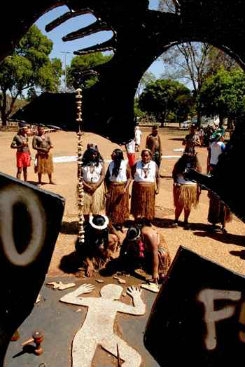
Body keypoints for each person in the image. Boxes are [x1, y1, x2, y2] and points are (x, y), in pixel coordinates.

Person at [60, 283, 145, 367]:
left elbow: (66, 298)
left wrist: (79, 291)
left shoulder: (94, 300)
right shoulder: (115, 304)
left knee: (134, 359)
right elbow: (139, 310)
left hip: (91, 335)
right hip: (94, 335)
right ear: (116, 295)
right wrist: (136, 296)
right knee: (134, 359)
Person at [207, 132, 232, 233]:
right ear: (221, 137)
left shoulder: (211, 145)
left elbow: (209, 158)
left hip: (213, 169)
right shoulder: (222, 145)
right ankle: (223, 224)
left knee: (214, 198)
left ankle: (213, 222)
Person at [172, 152, 202, 229]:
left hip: (191, 187)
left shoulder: (196, 165)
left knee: (188, 206)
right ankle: (176, 220)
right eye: (187, 155)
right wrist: (175, 182)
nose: (189, 157)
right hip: (181, 186)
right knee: (179, 205)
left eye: (191, 155)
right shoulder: (179, 164)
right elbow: (174, 173)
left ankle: (186, 221)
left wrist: (199, 187)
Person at [105, 149, 131, 229]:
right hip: (112, 187)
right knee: (112, 206)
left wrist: (125, 189)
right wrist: (107, 190)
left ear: (118, 156)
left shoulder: (125, 164)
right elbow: (106, 178)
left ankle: (121, 224)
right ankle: (113, 224)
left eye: (113, 154)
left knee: (121, 207)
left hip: (122, 188)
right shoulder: (111, 164)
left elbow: (129, 178)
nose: (111, 155)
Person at [131, 149, 159, 222]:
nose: (145, 157)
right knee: (138, 204)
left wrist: (158, 188)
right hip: (138, 187)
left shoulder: (154, 164)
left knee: (148, 205)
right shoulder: (136, 164)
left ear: (150, 156)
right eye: (143, 155)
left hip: (150, 188)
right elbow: (131, 175)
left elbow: (157, 177)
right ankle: (137, 219)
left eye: (147, 155)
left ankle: (147, 220)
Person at [81, 144, 105, 220]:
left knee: (96, 208)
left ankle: (95, 223)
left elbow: (102, 175)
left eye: (95, 154)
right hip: (85, 187)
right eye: (91, 154)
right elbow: (79, 177)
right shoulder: (82, 164)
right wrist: (86, 186)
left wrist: (96, 185)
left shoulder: (101, 163)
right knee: (85, 208)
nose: (93, 156)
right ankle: (87, 223)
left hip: (97, 187)